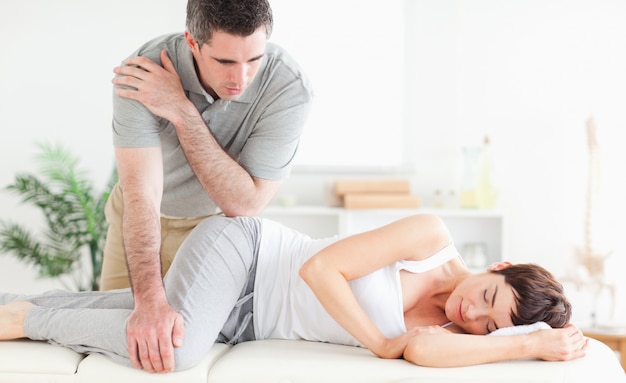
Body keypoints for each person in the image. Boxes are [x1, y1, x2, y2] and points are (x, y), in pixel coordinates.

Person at [0, 214, 587, 373]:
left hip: (248, 321)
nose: (470, 312)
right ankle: (31, 320)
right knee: (174, 351)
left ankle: (27, 307)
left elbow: (424, 351)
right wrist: (380, 342)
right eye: (486, 294)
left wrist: (524, 345)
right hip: (245, 256)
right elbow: (321, 270)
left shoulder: (464, 334)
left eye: (489, 324)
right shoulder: (430, 239)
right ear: (499, 265)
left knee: (145, 319)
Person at [101, 0, 312, 367]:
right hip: (139, 214)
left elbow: (246, 204)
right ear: (192, 43)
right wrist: (148, 303)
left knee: (184, 348)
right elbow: (141, 193)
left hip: (211, 228)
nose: (241, 78)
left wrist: (181, 110)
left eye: (254, 60)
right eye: (225, 62)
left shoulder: (287, 88)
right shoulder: (145, 70)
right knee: (120, 343)